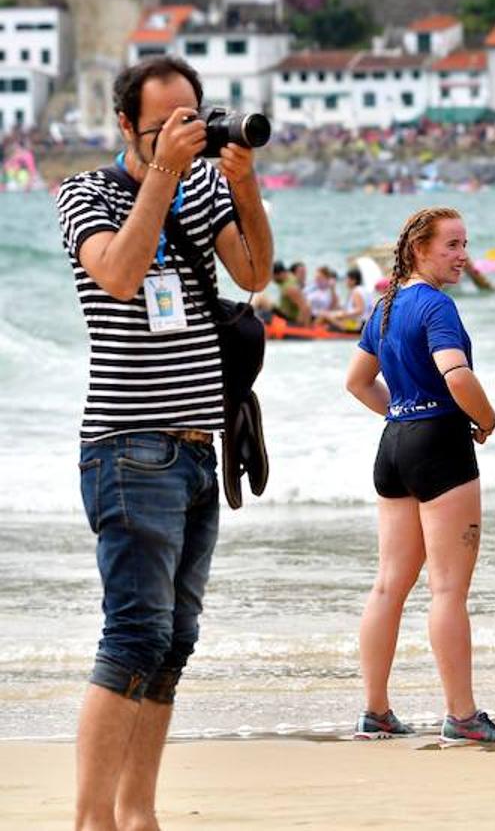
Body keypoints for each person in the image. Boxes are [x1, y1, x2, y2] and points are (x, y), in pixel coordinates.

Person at [57, 55, 274, 830]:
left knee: (174, 641)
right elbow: (118, 274)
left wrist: (240, 178)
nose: (185, 136)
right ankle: (92, 819)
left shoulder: (206, 183)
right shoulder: (84, 193)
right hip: (127, 445)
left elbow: (253, 270)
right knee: (134, 632)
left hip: (194, 449)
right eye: (165, 126)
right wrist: (162, 177)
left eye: (194, 119)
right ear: (125, 125)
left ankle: (138, 812)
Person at [343, 206, 495, 744]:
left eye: (465, 243)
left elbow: (356, 382)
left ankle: (375, 712)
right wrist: (485, 420)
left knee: (388, 587)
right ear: (420, 249)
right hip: (440, 446)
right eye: (452, 245)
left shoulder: (386, 306)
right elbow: (456, 373)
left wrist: (401, 416)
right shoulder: (436, 306)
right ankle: (463, 717)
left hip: (394, 444)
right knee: (447, 590)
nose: (463, 255)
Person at [319, 267, 372, 332]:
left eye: (347, 279)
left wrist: (342, 314)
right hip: (364, 323)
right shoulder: (363, 290)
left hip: (358, 325)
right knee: (330, 315)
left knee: (325, 314)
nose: (345, 281)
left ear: (353, 280)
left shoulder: (356, 291)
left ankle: (312, 331)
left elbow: (360, 310)